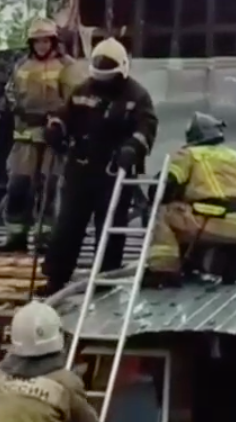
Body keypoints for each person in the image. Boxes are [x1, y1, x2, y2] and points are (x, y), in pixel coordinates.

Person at [39, 38, 159, 296]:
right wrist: (55, 128)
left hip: (114, 171)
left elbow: (146, 128)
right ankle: (56, 276)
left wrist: (132, 149)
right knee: (68, 224)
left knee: (109, 227)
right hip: (80, 168)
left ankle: (105, 280)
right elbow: (65, 114)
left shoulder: (136, 96)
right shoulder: (83, 90)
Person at [144, 112, 236, 287]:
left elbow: (165, 187)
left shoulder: (189, 154)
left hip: (208, 221)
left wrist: (155, 194)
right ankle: (218, 257)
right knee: (189, 211)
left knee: (161, 211)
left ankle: (163, 271)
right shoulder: (235, 156)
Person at [0, 17, 73, 253]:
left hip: (53, 135)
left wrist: (62, 125)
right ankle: (16, 236)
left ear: (53, 41)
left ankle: (46, 236)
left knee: (49, 186)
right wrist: (4, 103)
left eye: (45, 41)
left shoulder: (67, 66)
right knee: (18, 185)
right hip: (25, 135)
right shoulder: (22, 66)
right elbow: (11, 92)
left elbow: (75, 101)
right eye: (37, 41)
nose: (41, 46)